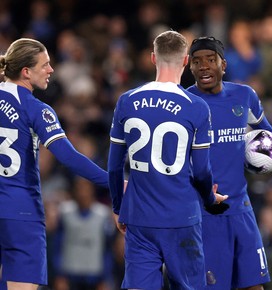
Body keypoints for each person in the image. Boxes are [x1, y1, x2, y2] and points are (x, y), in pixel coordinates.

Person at [107, 30, 229, 290]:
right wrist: (209, 199)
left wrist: (119, 207)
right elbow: (202, 172)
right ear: (186, 61)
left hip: (139, 218)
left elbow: (114, 166)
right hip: (181, 218)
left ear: (153, 58)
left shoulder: (126, 101)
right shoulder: (196, 107)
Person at [0, 38, 109, 290]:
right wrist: (112, 181)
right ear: (26, 72)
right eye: (45, 65)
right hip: (21, 214)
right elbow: (69, 157)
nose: (51, 70)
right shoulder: (37, 109)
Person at [187, 36, 272, 290]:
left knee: (255, 286)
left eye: (210, 60)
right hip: (206, 214)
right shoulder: (185, 102)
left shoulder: (244, 96)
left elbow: (268, 135)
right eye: (197, 62)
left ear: (223, 64)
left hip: (242, 210)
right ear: (190, 68)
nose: (204, 66)